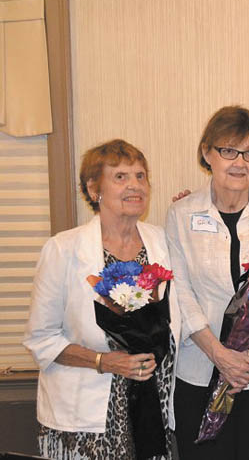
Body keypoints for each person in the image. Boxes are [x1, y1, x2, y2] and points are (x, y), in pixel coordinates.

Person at [24, 139, 180, 459]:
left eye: (140, 175)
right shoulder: (63, 250)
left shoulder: (162, 241)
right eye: (120, 177)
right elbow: (41, 339)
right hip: (84, 417)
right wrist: (103, 361)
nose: (134, 185)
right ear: (94, 188)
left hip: (152, 409)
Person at [166, 106, 249, 459]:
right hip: (199, 369)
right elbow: (180, 293)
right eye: (228, 150)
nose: (239, 162)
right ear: (207, 153)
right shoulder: (181, 215)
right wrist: (220, 355)